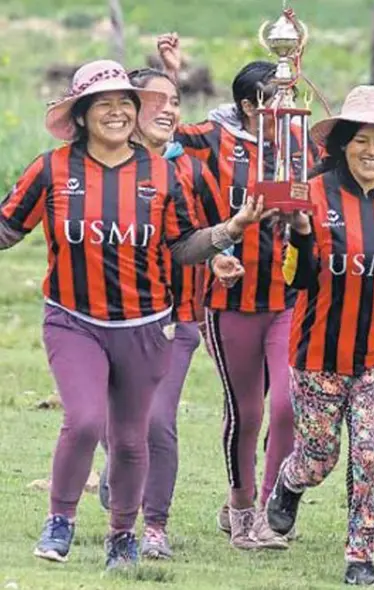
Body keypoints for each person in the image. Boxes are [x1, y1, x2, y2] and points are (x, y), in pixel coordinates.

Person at [0, 59, 262, 569]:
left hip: (146, 327)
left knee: (129, 436)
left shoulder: (162, 175)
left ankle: (123, 534)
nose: (117, 113)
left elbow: (184, 245)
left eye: (126, 103)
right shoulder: (51, 169)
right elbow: (7, 228)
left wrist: (230, 229)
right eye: (104, 104)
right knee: (82, 420)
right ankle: (61, 520)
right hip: (73, 319)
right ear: (81, 114)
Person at [264, 85, 374, 587]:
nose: (373, 151)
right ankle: (290, 482)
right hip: (318, 351)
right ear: (343, 143)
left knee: (372, 455)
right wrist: (297, 231)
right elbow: (294, 278)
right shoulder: (312, 194)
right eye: (362, 140)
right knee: (319, 460)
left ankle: (360, 558)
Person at [157, 33, 312, 549]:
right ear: (248, 105)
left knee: (289, 406)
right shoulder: (214, 139)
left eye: (287, 96)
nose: (283, 106)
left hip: (287, 297)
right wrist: (172, 73)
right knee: (246, 413)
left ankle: (267, 509)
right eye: (273, 97)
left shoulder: (299, 143)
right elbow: (164, 131)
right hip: (230, 300)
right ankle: (239, 505)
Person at [94, 66, 245, 559]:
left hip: (175, 321)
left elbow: (199, 236)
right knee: (104, 419)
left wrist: (219, 254)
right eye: (156, 100)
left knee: (158, 421)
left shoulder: (191, 172)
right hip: (100, 321)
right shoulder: (97, 173)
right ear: (130, 113)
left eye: (175, 100)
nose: (170, 110)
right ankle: (118, 463)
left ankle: (154, 525)